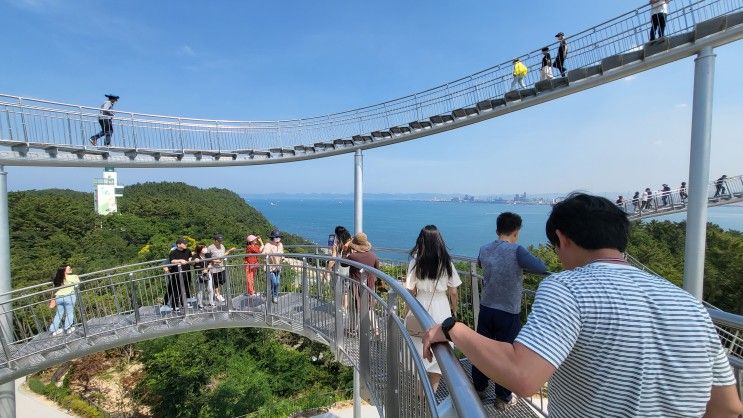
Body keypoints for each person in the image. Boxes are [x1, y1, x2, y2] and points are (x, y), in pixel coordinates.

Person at [423, 193, 742, 418]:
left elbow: (522, 374)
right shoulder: (692, 307)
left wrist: (453, 329)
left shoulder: (566, 287)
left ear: (562, 239)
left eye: (555, 247)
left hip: (489, 310)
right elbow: (728, 408)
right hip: (506, 311)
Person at [472, 212, 548, 409]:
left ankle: (478, 389)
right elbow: (541, 267)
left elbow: (480, 264)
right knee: (507, 356)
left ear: (497, 230)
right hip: (508, 312)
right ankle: (501, 398)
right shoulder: (518, 251)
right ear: (516, 231)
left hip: (487, 308)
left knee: (482, 350)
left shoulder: (484, 249)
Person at [404, 225, 461, 392]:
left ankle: (420, 392)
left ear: (421, 241)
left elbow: (410, 289)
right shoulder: (446, 262)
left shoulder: (415, 262)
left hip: (420, 306)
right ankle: (432, 392)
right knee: (440, 352)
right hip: (441, 307)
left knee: (417, 349)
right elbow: (453, 291)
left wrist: (407, 310)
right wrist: (454, 310)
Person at [343, 232, 380, 335]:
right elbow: (377, 269)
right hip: (370, 285)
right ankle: (375, 329)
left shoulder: (353, 257)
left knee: (353, 307)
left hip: (356, 284)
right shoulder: (373, 256)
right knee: (368, 307)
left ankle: (353, 329)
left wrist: (346, 252)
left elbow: (342, 263)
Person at [48, 265, 80, 336]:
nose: (71, 269)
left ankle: (54, 330)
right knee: (69, 312)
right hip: (69, 296)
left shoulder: (58, 278)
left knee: (58, 314)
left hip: (58, 297)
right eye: (69, 268)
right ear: (65, 271)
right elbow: (77, 285)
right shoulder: (73, 276)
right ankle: (68, 328)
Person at [208, 234, 236, 303]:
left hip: (222, 267)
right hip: (213, 268)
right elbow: (207, 258)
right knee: (216, 282)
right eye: (218, 241)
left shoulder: (222, 246)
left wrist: (229, 251)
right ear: (214, 240)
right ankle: (218, 294)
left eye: (221, 241)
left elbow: (223, 255)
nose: (220, 242)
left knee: (223, 280)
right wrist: (214, 261)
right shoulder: (210, 248)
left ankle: (217, 292)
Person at [166, 238, 192, 310]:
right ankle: (175, 305)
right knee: (177, 289)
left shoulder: (188, 250)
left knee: (186, 288)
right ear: (178, 245)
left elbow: (190, 257)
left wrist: (191, 260)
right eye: (184, 243)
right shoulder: (173, 252)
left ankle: (183, 303)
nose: (186, 244)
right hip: (177, 274)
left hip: (187, 272)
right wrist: (180, 260)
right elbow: (172, 261)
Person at [262, 230, 284, 304]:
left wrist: (282, 258)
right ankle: (270, 294)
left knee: (277, 283)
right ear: (273, 238)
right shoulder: (268, 245)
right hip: (270, 267)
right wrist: (268, 254)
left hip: (278, 267)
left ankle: (273, 295)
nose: (278, 239)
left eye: (279, 237)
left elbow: (282, 253)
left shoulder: (280, 244)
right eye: (276, 237)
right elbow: (264, 253)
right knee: (274, 282)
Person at [191, 244, 214, 308]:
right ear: (200, 249)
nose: (205, 249)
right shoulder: (196, 256)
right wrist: (194, 261)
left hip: (207, 273)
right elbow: (192, 264)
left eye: (205, 247)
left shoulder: (208, 255)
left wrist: (207, 269)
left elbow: (211, 263)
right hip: (199, 274)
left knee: (210, 288)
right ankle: (200, 304)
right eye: (204, 248)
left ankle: (211, 302)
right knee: (200, 290)